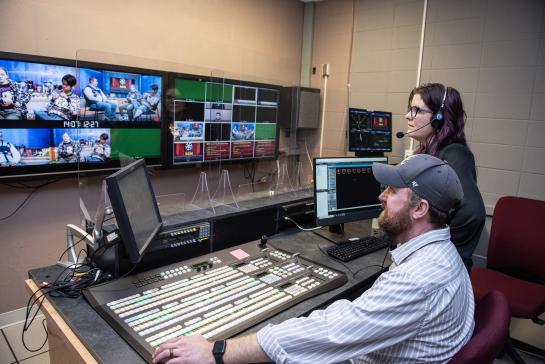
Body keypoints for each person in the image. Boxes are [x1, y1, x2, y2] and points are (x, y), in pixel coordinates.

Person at [153, 154, 475, 364]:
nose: (381, 195)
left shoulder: (419, 279)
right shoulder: (443, 255)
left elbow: (334, 331)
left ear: (420, 209)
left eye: (392, 191)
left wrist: (218, 350)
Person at [404, 83, 485, 272]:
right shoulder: (431, 152)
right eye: (409, 109)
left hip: (442, 270)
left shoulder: (455, 153)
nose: (408, 116)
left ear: (439, 119)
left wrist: (439, 250)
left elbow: (473, 213)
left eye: (416, 110)